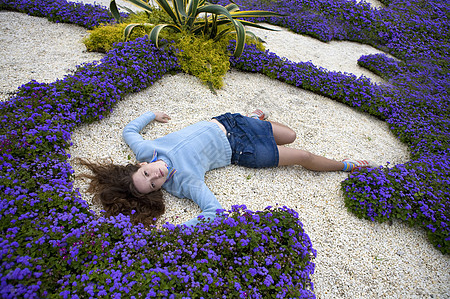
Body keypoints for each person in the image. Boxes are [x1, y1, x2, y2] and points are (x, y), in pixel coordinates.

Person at [79, 109, 377, 227]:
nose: (157, 176)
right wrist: (180, 229)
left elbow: (128, 132)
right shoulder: (183, 182)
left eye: (147, 174)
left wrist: (152, 115)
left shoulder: (146, 150)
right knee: (302, 155)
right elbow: (213, 211)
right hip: (240, 150)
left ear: (141, 165)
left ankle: (254, 117)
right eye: (155, 184)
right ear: (159, 190)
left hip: (230, 122)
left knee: (290, 135)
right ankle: (348, 165)